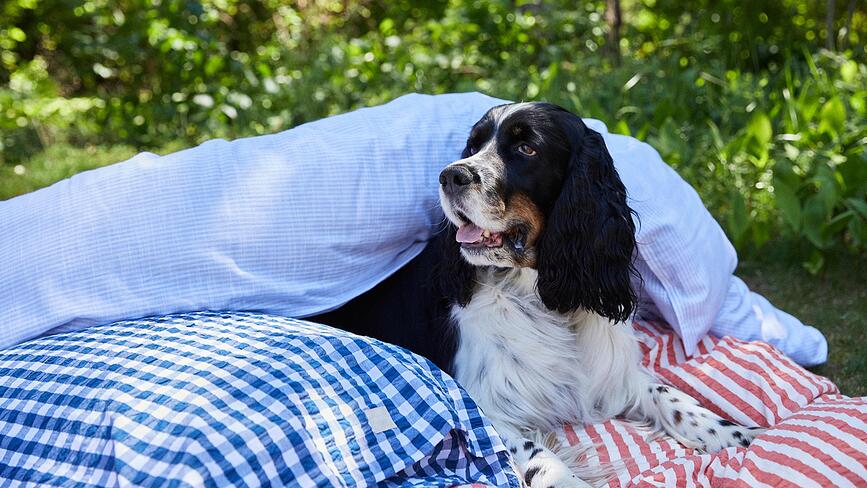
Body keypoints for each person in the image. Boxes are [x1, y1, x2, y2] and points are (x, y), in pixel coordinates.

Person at [0, 92, 827, 366]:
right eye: (476, 148)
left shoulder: (602, 176)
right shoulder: (441, 170)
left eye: (515, 150)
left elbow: (689, 279)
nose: (471, 166)